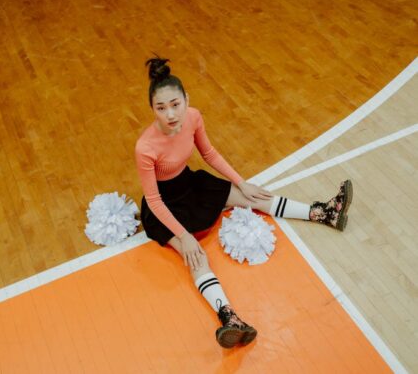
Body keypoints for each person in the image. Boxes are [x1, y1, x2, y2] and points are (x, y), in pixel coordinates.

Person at [135, 56, 353, 349]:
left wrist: (241, 182)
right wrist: (184, 237)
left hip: (192, 184)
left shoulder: (194, 117)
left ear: (186, 99)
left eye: (175, 104)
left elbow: (209, 153)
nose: (170, 114)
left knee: (254, 197)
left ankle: (324, 212)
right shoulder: (145, 147)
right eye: (161, 108)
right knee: (196, 256)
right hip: (164, 207)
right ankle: (229, 318)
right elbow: (153, 199)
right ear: (152, 110)